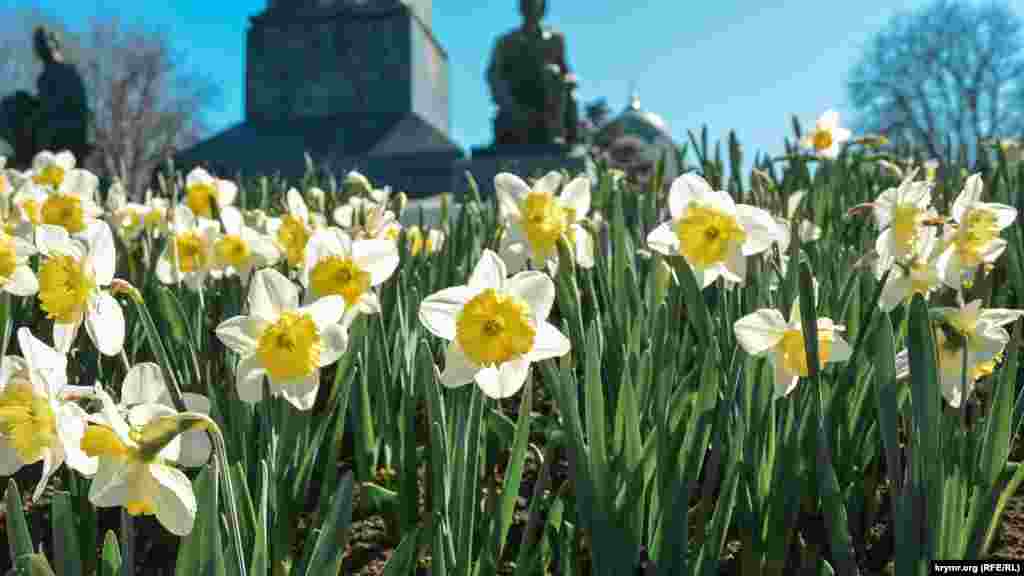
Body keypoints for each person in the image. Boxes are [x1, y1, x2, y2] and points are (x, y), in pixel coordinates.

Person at [486, 0, 579, 146]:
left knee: (553, 73)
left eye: (535, 4)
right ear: (522, 8)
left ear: (542, 8)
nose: (531, 8)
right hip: (518, 94)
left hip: (549, 95)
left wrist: (571, 79)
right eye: (527, 4)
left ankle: (555, 133)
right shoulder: (506, 42)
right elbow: (494, 75)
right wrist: (508, 103)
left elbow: (565, 70)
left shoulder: (555, 39)